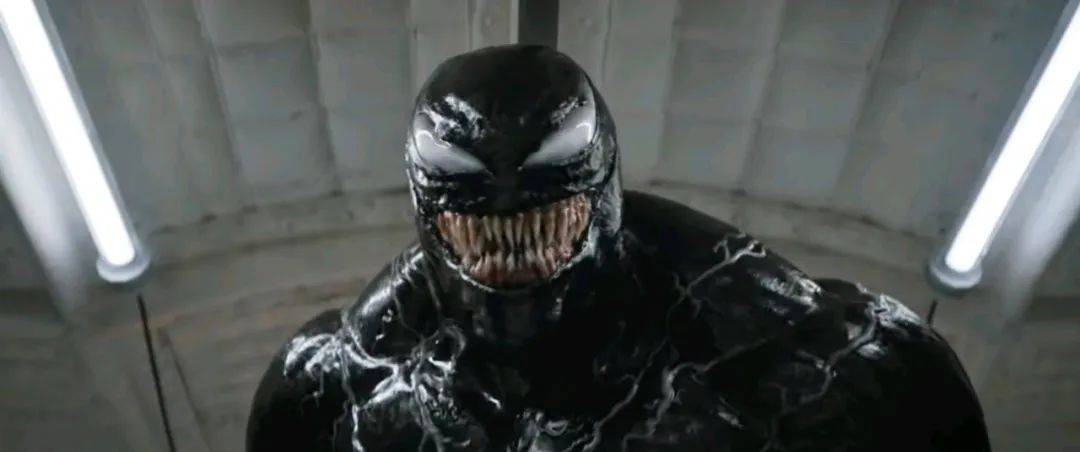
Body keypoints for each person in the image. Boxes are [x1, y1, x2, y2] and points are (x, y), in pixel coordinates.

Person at [247, 45, 990, 451]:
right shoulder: (334, 391)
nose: (506, 200)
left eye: (540, 199)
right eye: (476, 200)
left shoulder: (829, 367)